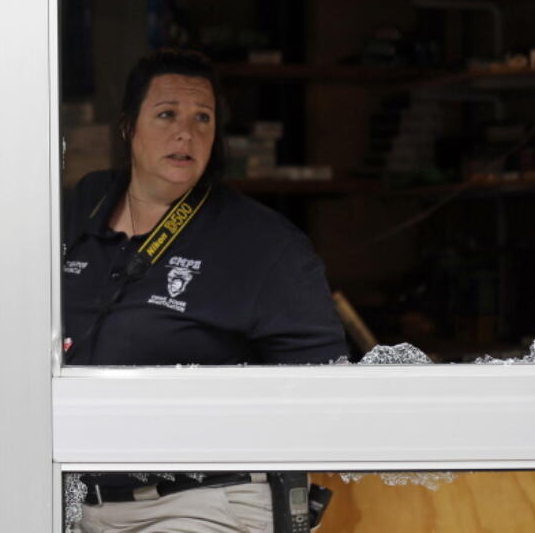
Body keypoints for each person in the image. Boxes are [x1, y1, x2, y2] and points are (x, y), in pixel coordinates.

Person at [62, 49, 346, 533]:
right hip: (72, 495)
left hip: (203, 501)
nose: (185, 133)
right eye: (167, 114)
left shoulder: (263, 244)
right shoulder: (84, 206)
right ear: (129, 127)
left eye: (203, 119)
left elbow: (326, 392)